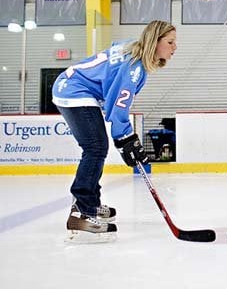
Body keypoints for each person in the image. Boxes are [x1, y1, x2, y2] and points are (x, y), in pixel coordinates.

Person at [52, 20, 177, 243]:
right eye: (170, 42)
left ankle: (90, 202)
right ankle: (82, 213)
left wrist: (126, 138)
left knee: (96, 147)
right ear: (154, 42)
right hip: (74, 91)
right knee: (96, 147)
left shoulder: (132, 48)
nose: (174, 47)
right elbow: (117, 108)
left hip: (69, 86)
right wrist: (126, 139)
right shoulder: (134, 68)